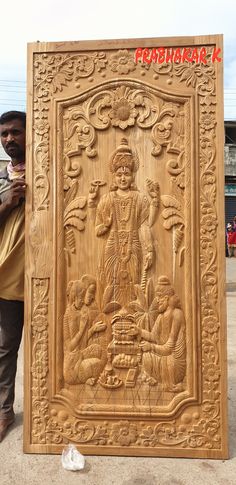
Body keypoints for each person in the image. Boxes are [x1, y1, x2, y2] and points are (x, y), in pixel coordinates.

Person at [95, 138, 154, 307]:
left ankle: (132, 311)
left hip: (134, 244)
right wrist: (106, 225)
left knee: (134, 279)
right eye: (119, 175)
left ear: (132, 175)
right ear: (114, 176)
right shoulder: (106, 199)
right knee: (111, 280)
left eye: (126, 174)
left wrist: (149, 248)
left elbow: (143, 226)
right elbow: (97, 230)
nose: (123, 178)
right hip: (112, 245)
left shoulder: (140, 199)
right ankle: (109, 308)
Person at [0, 111, 26, 442]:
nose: (9, 139)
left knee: (55, 346)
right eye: (4, 134)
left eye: (15, 132)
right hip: (7, 279)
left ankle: (55, 410)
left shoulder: (50, 172)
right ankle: (4, 411)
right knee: (5, 347)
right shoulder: (2, 180)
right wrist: (8, 202)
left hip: (51, 277)